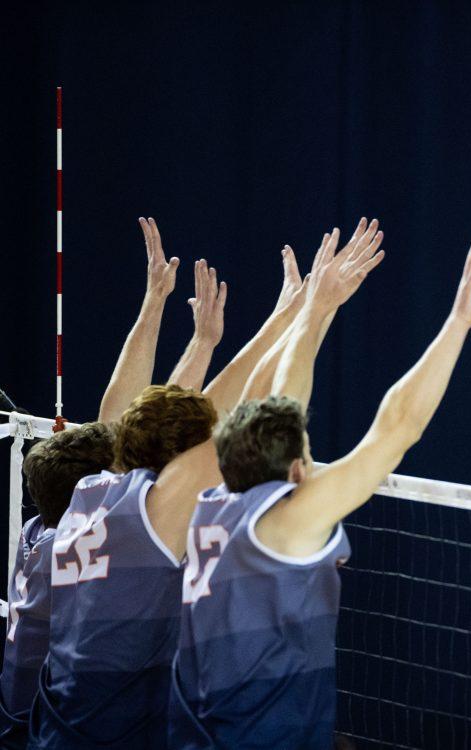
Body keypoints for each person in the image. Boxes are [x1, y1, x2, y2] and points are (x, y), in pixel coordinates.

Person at [168, 225, 471, 749]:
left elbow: (274, 398)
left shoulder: (214, 504)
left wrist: (317, 308)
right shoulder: (286, 524)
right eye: (308, 454)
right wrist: (457, 324)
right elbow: (397, 429)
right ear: (296, 471)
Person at [29, 227, 308, 749]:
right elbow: (234, 413)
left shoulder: (90, 492)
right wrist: (297, 318)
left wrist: (184, 326)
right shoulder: (153, 519)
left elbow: (135, 414)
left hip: (58, 725)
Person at [0, 218, 217, 750]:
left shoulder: (44, 533)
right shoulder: (85, 541)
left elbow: (120, 426)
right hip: (38, 735)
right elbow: (128, 430)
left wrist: (159, 304)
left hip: (28, 718)